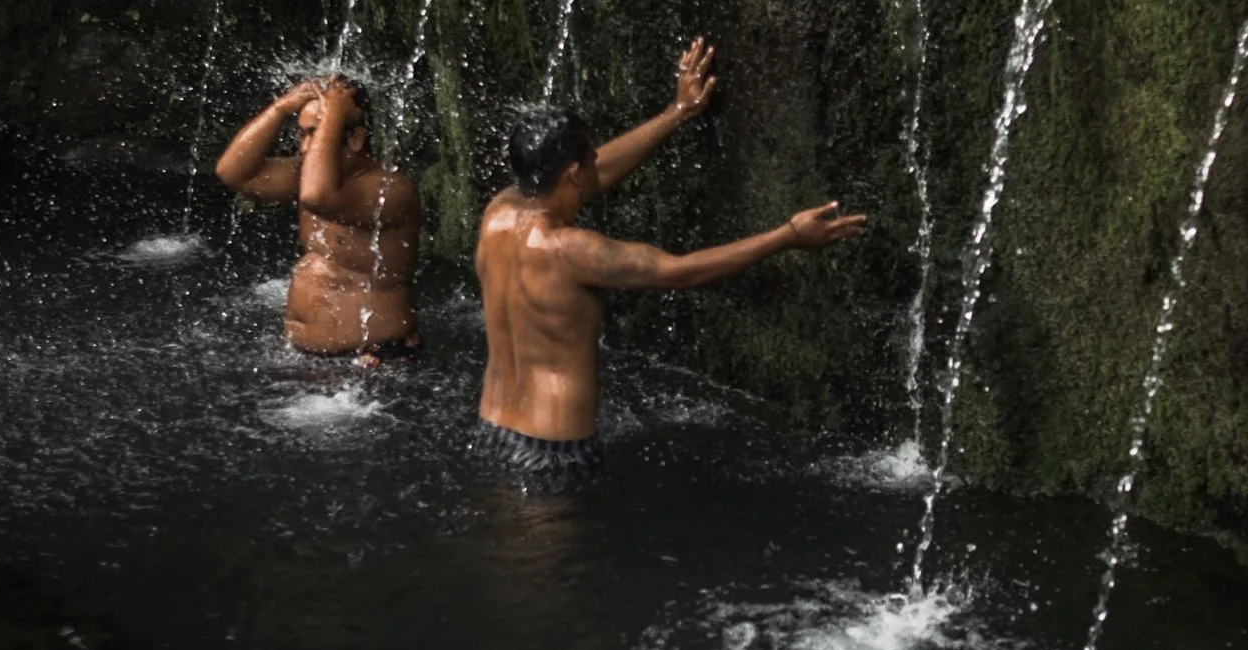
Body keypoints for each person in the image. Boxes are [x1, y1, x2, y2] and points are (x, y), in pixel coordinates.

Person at [473, 38, 867, 481]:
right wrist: (788, 235)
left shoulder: (498, 214)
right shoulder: (570, 250)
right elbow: (678, 272)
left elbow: (593, 175)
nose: (596, 162)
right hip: (553, 449)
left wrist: (676, 112)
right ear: (572, 174)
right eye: (589, 156)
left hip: (493, 430)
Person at [214, 76, 422, 362]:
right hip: (308, 361)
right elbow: (234, 173)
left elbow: (318, 198)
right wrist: (280, 109)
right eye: (302, 134)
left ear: (356, 139)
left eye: (316, 132)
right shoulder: (306, 176)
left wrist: (335, 111)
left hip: (373, 359)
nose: (303, 148)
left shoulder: (391, 190)